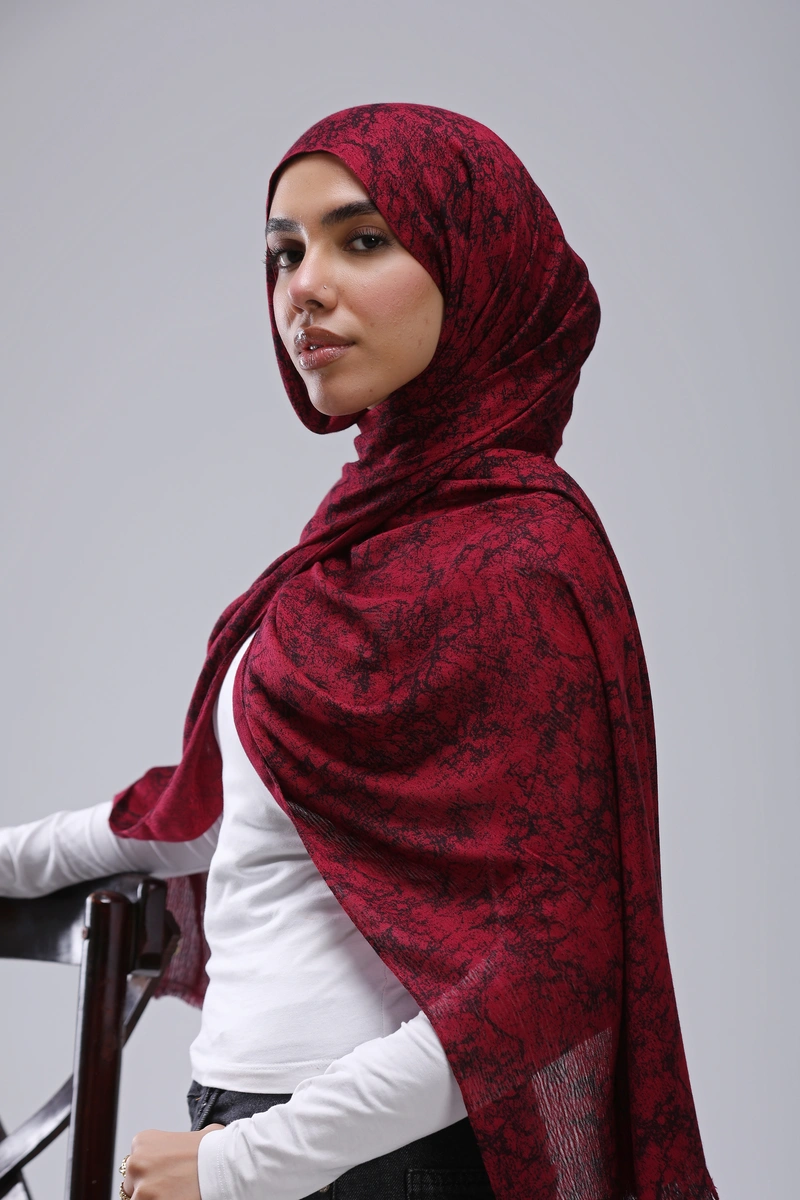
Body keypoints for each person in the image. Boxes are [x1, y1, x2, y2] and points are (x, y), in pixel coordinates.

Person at [0, 104, 719, 1200]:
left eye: (362, 239)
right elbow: (205, 811)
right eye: (284, 253)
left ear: (477, 268)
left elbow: (548, 970)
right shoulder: (350, 548)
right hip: (255, 1135)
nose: (304, 287)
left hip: (377, 1163)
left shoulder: (522, 560)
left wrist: (244, 1164)